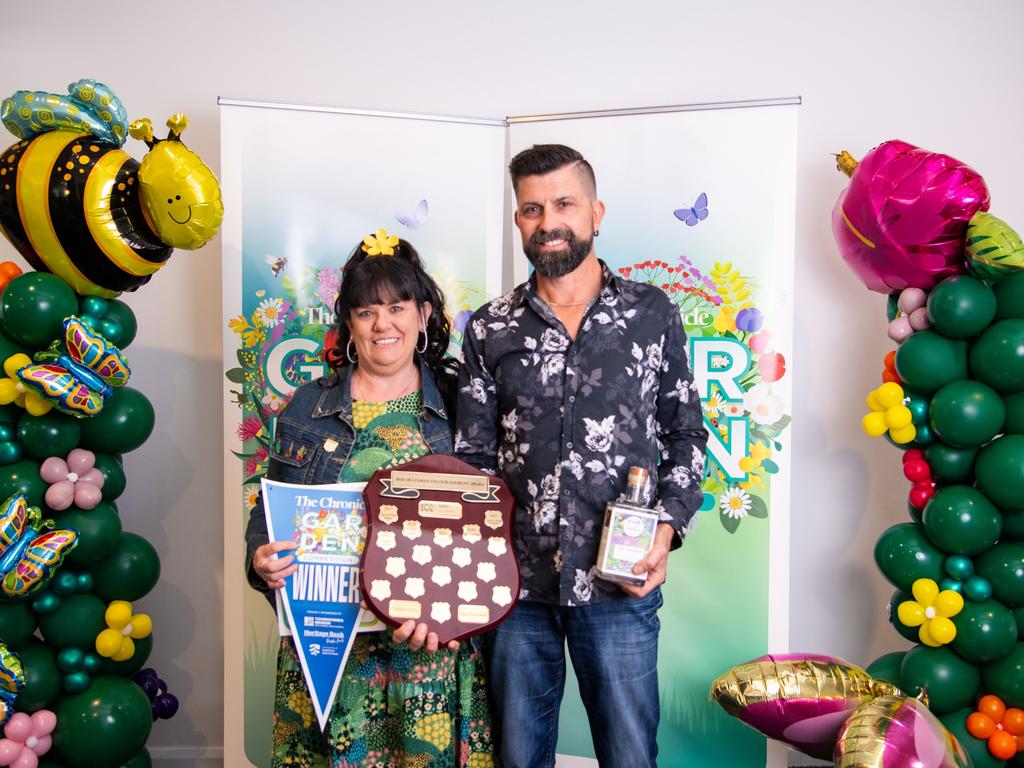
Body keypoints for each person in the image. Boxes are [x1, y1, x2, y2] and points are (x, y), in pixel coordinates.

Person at [455, 145, 708, 767]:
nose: (548, 222)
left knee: (628, 756)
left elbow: (686, 433)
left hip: (620, 583)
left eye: (564, 204)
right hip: (514, 587)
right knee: (518, 758)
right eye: (532, 209)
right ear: (518, 220)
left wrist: (668, 527)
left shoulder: (652, 314)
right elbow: (474, 458)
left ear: (595, 212)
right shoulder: (490, 328)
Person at [245, 230, 493, 768]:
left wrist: (455, 614)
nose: (384, 324)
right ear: (349, 324)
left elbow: (485, 528)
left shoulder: (459, 403)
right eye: (366, 312)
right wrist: (262, 561)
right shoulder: (308, 404)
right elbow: (268, 518)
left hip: (428, 647)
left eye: (398, 307)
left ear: (423, 315)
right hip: (331, 645)